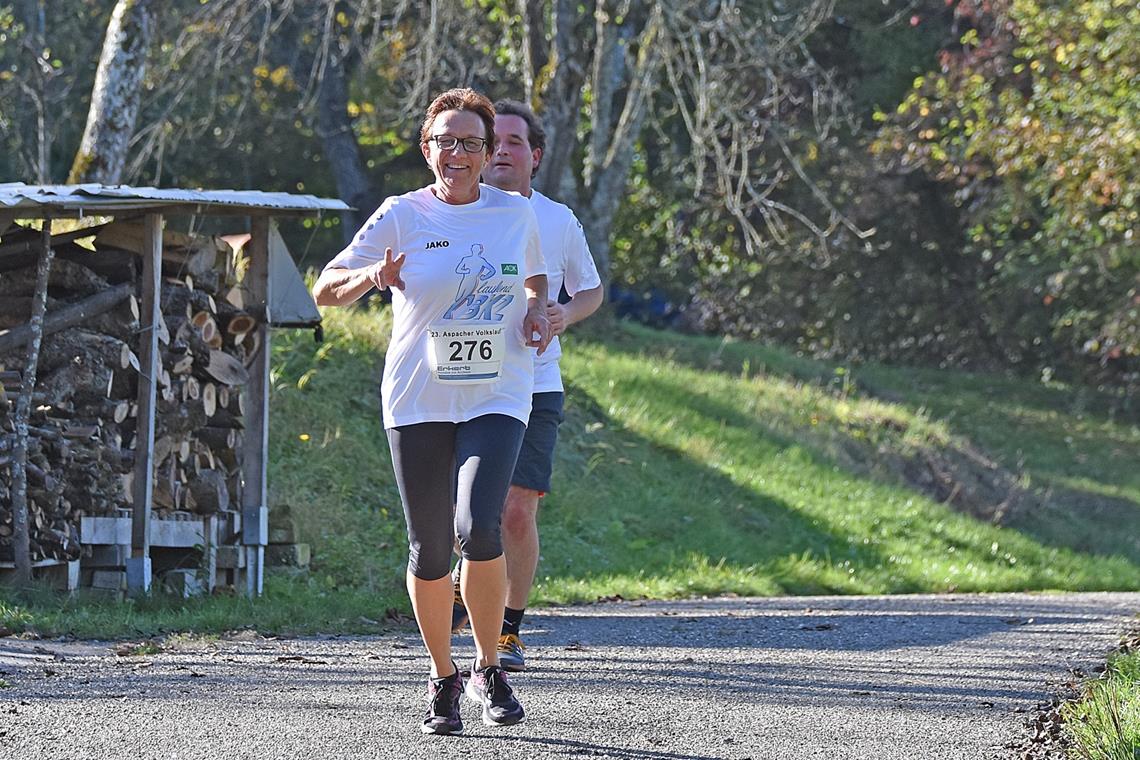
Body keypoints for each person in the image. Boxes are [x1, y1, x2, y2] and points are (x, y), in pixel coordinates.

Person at [312, 88, 552, 736]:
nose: (459, 153)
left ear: (487, 152)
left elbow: (536, 278)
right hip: (419, 396)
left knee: (480, 524)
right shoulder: (401, 215)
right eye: (446, 141)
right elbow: (324, 289)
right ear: (428, 150)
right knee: (429, 545)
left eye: (472, 142)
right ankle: (443, 675)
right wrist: (372, 277)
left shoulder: (515, 213)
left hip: (498, 390)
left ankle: (489, 665)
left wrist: (538, 309)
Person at [452, 99, 603, 672]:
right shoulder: (452, 211)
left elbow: (590, 290)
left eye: (516, 142)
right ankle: (456, 604)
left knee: (515, 511)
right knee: (460, 511)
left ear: (533, 156)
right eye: (497, 142)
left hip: (535, 383)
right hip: (462, 380)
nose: (504, 152)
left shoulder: (557, 220)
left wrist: (564, 314)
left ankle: (508, 630)